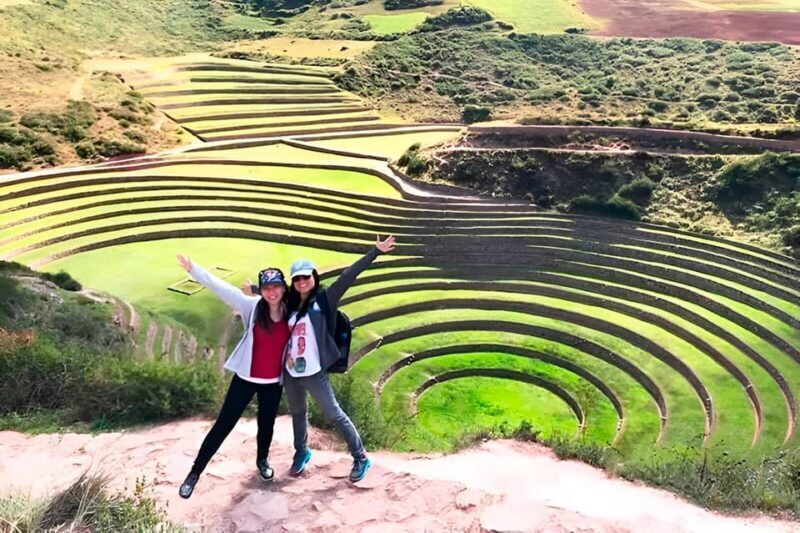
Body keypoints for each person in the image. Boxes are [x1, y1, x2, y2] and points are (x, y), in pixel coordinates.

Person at [282, 235, 396, 483]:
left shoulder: (325, 299)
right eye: (297, 279)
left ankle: (360, 456)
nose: (301, 282)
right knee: (298, 412)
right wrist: (254, 290)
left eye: (305, 277)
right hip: (290, 371)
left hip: (314, 371)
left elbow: (348, 276)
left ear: (314, 277)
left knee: (334, 414)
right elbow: (268, 294)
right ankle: (301, 452)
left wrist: (375, 252)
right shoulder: (288, 304)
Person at [176, 255, 289, 499]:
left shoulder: (291, 311)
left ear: (283, 288)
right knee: (223, 425)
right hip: (246, 377)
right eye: (267, 288)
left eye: (276, 287)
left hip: (272, 382)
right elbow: (222, 289)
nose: (271, 293)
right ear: (262, 290)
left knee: (266, 425)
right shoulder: (252, 306)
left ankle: (262, 461)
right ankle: (194, 473)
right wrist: (193, 269)